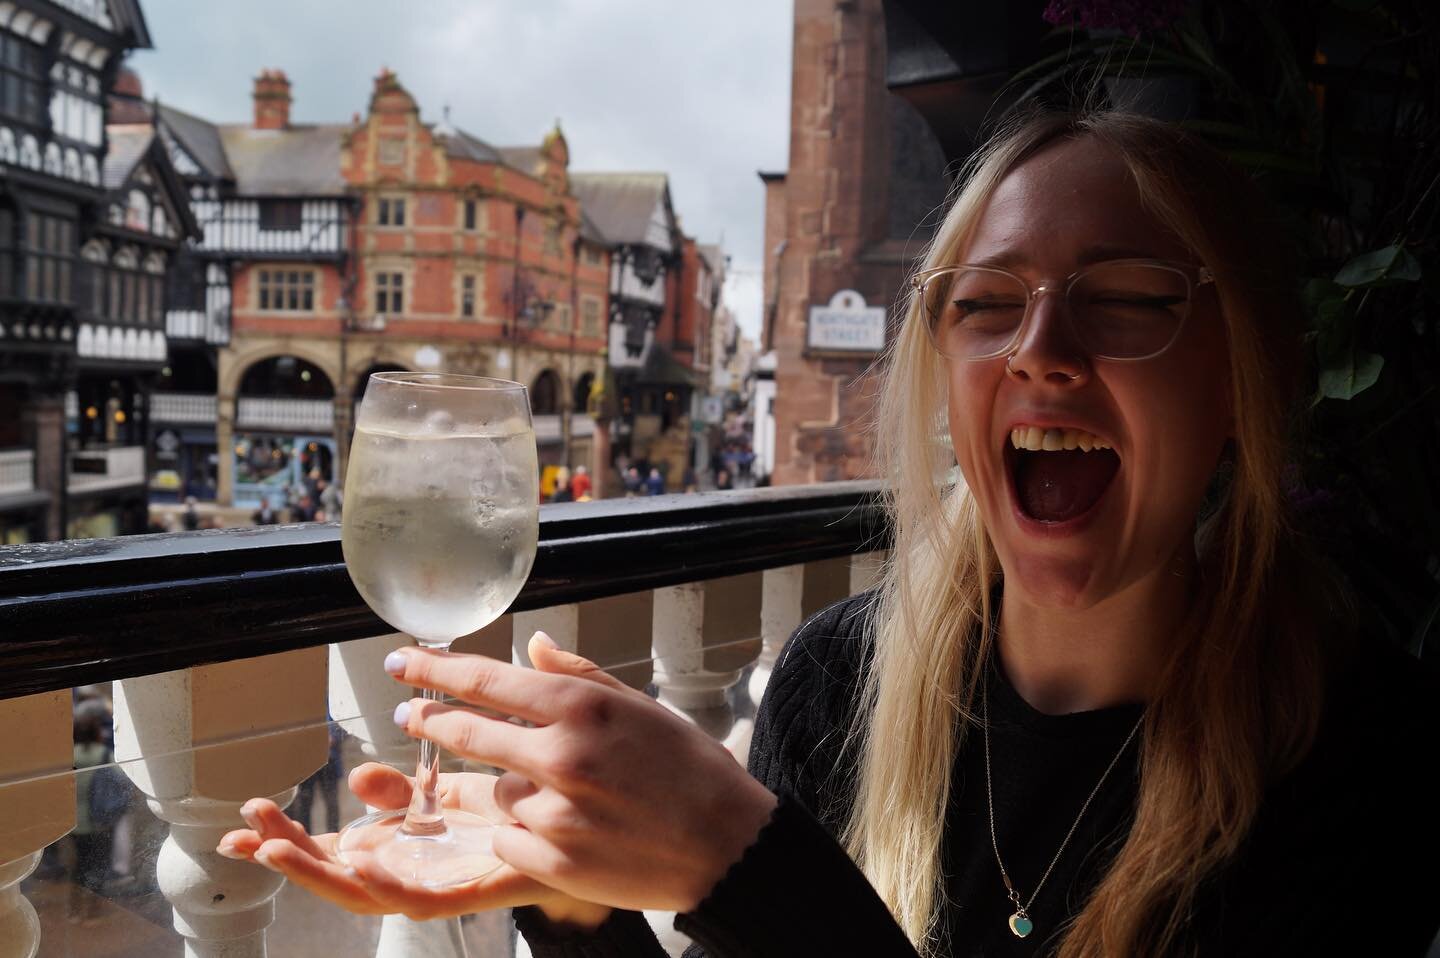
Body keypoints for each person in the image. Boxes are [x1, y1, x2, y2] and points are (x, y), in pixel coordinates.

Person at [218, 108, 1440, 955]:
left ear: (1238, 382)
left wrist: (743, 864)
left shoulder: (1358, 749)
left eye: (1125, 299)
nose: (1041, 349)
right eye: (988, 303)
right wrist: (576, 903)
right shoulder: (836, 679)